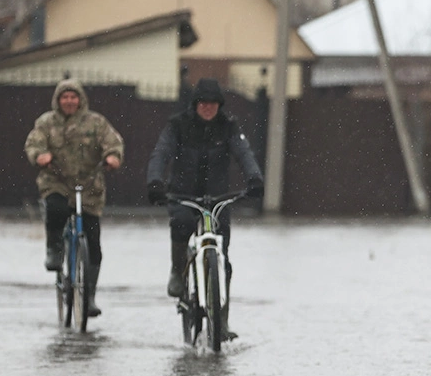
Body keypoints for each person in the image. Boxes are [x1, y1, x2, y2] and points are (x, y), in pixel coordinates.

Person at [145, 78, 263, 308]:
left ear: (220, 105)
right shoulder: (177, 125)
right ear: (195, 104)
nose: (208, 107)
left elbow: (244, 153)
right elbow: (161, 153)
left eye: (213, 103)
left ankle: (221, 315)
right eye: (203, 103)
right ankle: (177, 270)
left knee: (223, 251)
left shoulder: (228, 126)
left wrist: (254, 178)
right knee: (181, 224)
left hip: (217, 196)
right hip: (184, 194)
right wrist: (155, 182)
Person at [24, 79, 124, 317]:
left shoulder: (96, 122)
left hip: (88, 185)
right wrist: (40, 156)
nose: (69, 101)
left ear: (80, 100)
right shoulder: (46, 122)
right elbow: (33, 143)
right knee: (56, 208)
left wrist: (113, 157)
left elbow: (113, 142)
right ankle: (54, 248)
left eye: (73, 97)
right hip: (56, 181)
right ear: (58, 100)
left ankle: (89, 297)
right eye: (65, 97)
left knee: (93, 242)